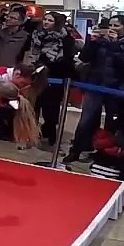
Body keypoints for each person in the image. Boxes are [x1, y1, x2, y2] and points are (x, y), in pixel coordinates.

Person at [63, 15, 124, 164]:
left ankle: (104, 154)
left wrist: (114, 44)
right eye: (110, 25)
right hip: (95, 84)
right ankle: (77, 149)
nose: (112, 28)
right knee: (87, 119)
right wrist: (92, 42)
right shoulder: (101, 41)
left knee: (111, 123)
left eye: (116, 26)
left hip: (116, 87)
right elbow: (85, 57)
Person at [27, 11, 76, 147]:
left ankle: (50, 135)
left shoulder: (66, 39)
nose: (46, 22)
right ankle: (31, 134)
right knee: (34, 106)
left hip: (55, 77)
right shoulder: (36, 35)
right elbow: (31, 53)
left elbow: (67, 59)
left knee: (51, 109)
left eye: (50, 20)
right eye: (45, 19)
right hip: (36, 76)